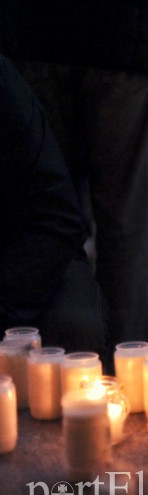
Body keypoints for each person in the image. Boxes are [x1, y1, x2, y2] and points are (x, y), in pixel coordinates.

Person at [0, 0, 148, 355]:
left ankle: (68, 371)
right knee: (123, 229)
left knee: (51, 212)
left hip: (39, 32)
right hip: (125, 36)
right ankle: (131, 376)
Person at [0, 56, 107, 367]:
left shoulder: (7, 93)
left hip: (25, 256)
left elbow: (56, 218)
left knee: (75, 328)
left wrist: (6, 304)